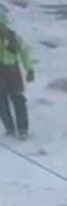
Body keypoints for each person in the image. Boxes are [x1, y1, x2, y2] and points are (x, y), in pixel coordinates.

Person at [0, 7, 35, 139]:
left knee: (18, 100)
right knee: (1, 102)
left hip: (12, 72)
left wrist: (29, 69)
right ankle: (9, 128)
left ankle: (22, 129)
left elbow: (24, 53)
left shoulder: (14, 37)